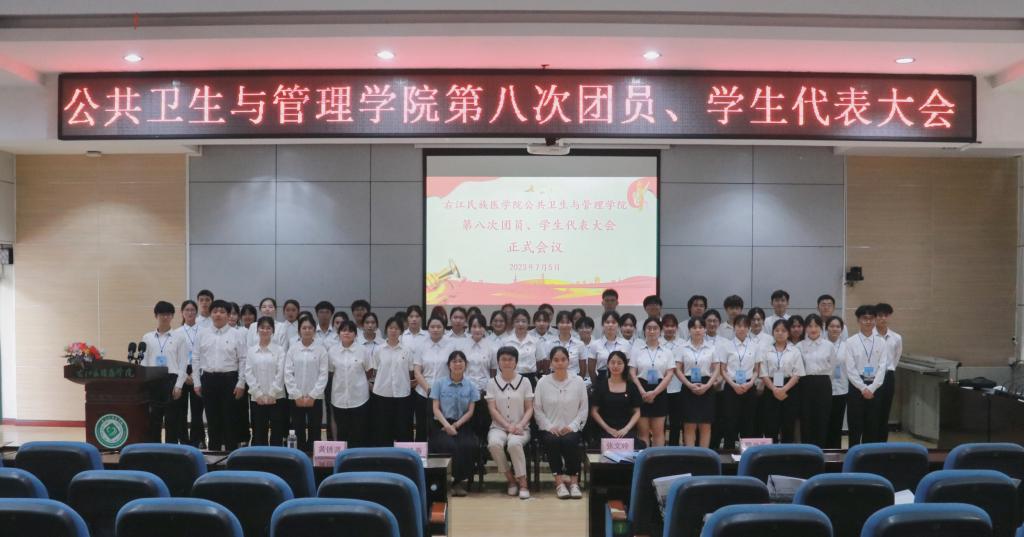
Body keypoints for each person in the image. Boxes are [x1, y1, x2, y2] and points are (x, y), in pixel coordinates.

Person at [534, 346, 588, 500]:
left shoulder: (578, 381)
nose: (560, 363)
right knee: (552, 441)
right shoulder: (543, 382)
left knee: (570, 441)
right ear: (551, 362)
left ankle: (574, 482)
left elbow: (583, 409)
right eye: (556, 360)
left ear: (568, 361)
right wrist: (549, 427)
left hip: (572, 427)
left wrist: (572, 426)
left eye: (563, 359)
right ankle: (559, 483)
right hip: (550, 428)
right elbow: (537, 409)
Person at [193, 299, 247, 451]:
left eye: (222, 312)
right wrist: (197, 382)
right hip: (208, 379)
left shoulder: (237, 334)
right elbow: (195, 358)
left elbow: (243, 359)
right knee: (212, 419)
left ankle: (231, 454)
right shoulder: (202, 334)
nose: (218, 314)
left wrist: (241, 383)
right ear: (210, 314)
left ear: (228, 315)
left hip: (230, 380)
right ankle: (213, 454)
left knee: (230, 419)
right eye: (215, 311)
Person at [429, 351, 480, 497]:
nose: (457, 364)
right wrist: (447, 426)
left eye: (460, 361)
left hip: (462, 424)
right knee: (447, 445)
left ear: (466, 364)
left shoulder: (471, 386)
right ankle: (447, 482)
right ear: (449, 365)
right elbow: (435, 408)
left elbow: (470, 411)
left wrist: (456, 425)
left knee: (468, 445)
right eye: (454, 361)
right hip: (442, 424)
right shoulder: (439, 384)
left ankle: (458, 482)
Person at [487, 346, 535, 500]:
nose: (507, 362)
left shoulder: (525, 381)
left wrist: (520, 425)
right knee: (494, 444)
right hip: (498, 427)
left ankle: (523, 484)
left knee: (514, 444)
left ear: (516, 362)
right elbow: (492, 409)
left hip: (521, 427)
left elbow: (529, 408)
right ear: (498, 362)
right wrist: (507, 426)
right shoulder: (492, 382)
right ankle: (511, 480)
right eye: (503, 359)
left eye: (510, 359)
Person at [141, 300, 186, 443]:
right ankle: (154, 448)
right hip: (153, 380)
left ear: (172, 316)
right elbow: (144, 361)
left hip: (171, 380)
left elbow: (183, 363)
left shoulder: (179, 337)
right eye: (162, 314)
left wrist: (179, 385)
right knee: (154, 418)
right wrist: (144, 382)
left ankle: (171, 449)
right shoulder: (147, 337)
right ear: (156, 316)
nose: (165, 317)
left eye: (168, 314)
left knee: (172, 419)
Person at [844, 305, 889, 446]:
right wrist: (863, 388)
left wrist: (872, 388)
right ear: (858, 320)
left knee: (873, 424)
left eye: (871, 318)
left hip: (876, 386)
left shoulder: (881, 342)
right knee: (855, 425)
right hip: (856, 386)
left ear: (875, 320)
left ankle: (869, 455)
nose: (868, 321)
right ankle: (853, 454)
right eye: (864, 318)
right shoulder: (850, 342)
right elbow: (850, 369)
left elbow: (883, 367)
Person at [716, 314, 761, 450]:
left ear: (749, 328)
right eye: (739, 326)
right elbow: (723, 369)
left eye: (745, 326)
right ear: (734, 327)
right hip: (731, 386)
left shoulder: (754, 346)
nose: (742, 329)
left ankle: (747, 454)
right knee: (730, 421)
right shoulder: (726, 346)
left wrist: (750, 383)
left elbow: (756, 370)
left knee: (748, 421)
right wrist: (734, 385)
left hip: (749, 386)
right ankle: (729, 452)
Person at [284, 316, 328, 451]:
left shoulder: (321, 350)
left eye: (310, 328)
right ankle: (299, 456)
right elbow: (288, 373)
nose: (307, 330)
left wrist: (313, 395)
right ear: (299, 331)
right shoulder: (293, 349)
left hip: (315, 398)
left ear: (314, 330)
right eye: (304, 328)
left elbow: (323, 375)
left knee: (315, 429)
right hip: (296, 397)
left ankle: (314, 457)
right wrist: (296, 395)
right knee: (297, 429)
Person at [371, 316, 415, 444]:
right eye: (391, 328)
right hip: (382, 394)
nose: (393, 331)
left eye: (396, 328)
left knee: (402, 428)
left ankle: (403, 455)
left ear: (401, 331)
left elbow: (410, 371)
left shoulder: (407, 351)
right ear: (386, 330)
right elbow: (375, 370)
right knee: (383, 429)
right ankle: (384, 453)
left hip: (402, 394)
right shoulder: (379, 349)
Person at [630, 318, 674, 447]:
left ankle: (658, 459)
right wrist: (642, 391)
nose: (652, 331)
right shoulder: (637, 350)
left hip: (659, 391)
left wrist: (654, 393)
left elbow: (669, 374)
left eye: (655, 328)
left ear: (660, 331)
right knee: (642, 432)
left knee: (658, 433)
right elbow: (632, 372)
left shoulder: (667, 352)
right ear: (644, 331)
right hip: (641, 391)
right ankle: (644, 459)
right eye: (649, 328)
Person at [759, 319, 804, 443]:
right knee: (770, 424)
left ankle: (787, 452)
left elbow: (797, 374)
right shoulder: (766, 350)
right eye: (777, 330)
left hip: (790, 389)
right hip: (770, 388)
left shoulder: (795, 350)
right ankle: (770, 452)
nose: (780, 333)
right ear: (772, 332)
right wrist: (774, 389)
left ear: (788, 333)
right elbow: (763, 373)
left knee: (788, 424)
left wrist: (784, 389)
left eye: (783, 330)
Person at [328, 320, 372, 448]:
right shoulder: (332, 351)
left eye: (350, 331)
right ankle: (343, 458)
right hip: (339, 398)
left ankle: (358, 458)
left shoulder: (363, 350)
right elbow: (330, 372)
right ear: (339, 333)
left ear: (355, 334)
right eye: (343, 330)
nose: (347, 333)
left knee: (359, 432)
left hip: (359, 398)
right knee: (342, 431)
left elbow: (369, 371)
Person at [244, 316, 287, 446]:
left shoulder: (280, 350)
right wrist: (258, 394)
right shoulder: (251, 351)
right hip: (257, 398)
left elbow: (281, 373)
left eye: (268, 328)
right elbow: (248, 373)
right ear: (257, 330)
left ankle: (277, 457)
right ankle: (260, 457)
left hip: (277, 398)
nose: (265, 330)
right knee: (259, 432)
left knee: (277, 432)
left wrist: (272, 393)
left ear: (273, 331)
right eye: (262, 327)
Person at [676, 317, 719, 448]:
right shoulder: (682, 347)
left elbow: (717, 368)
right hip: (688, 385)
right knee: (689, 424)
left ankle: (704, 455)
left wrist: (708, 385)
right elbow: (677, 369)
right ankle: (690, 455)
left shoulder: (712, 348)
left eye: (700, 327)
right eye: (694, 327)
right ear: (689, 330)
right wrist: (688, 384)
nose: (697, 330)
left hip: (706, 385)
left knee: (705, 424)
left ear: (705, 329)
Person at [796, 314, 837, 449]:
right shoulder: (799, 346)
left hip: (823, 383)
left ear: (821, 327)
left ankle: (821, 451)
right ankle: (807, 451)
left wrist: (824, 381)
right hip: (805, 384)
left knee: (822, 418)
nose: (813, 329)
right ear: (805, 328)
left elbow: (832, 367)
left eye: (816, 326)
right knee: (806, 418)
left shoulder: (828, 345)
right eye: (810, 326)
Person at [590, 351, 642, 446]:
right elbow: (594, 411)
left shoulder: (631, 386)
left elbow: (637, 412)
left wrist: (626, 429)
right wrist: (608, 429)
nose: (615, 366)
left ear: (625, 365)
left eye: (619, 363)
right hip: (604, 430)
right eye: (612, 362)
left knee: (638, 445)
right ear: (608, 365)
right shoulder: (600, 386)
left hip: (626, 431)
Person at [413, 316, 452, 442]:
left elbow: (454, 370)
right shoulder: (421, 345)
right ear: (428, 329)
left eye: (439, 327)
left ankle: (439, 452)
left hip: (445, 393)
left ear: (444, 329)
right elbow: (417, 372)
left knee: (440, 426)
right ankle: (422, 453)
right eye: (432, 327)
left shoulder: (451, 345)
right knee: (422, 426)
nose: (435, 329)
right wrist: (429, 390)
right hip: (423, 393)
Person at [175, 300, 206, 448]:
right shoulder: (176, 332)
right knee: (180, 409)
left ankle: (197, 440)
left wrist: (195, 373)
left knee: (197, 409)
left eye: (193, 310)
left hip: (198, 370)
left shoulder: (204, 331)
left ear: (196, 312)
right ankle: (182, 440)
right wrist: (184, 374)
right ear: (182, 312)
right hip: (181, 370)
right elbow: (174, 356)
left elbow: (206, 353)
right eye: (187, 310)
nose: (190, 312)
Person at [464, 314, 496, 439]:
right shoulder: (462, 345)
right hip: (466, 390)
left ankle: (483, 446)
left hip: (484, 390)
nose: (477, 329)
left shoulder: (491, 346)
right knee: (468, 422)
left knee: (483, 421)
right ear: (469, 328)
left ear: (485, 328)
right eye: (474, 326)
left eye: (480, 326)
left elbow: (493, 370)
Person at [874, 303, 902, 442]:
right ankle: (870, 443)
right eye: (880, 315)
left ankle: (882, 444)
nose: (883, 318)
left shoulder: (896, 338)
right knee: (872, 411)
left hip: (888, 376)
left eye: (885, 315)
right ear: (875, 317)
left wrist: (888, 370)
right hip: (872, 377)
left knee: (885, 412)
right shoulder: (869, 336)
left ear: (889, 317)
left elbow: (896, 358)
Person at [501, 308, 545, 386]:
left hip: (530, 378)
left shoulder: (535, 341)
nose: (520, 324)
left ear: (528, 323)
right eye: (517, 321)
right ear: (513, 323)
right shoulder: (505, 341)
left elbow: (540, 361)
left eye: (524, 321)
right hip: (511, 378)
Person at [661, 314, 686, 446]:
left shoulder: (683, 344)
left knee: (676, 422)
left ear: (676, 327)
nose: (670, 328)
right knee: (660, 422)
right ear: (662, 327)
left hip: (678, 387)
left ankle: (674, 448)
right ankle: (659, 448)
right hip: (660, 388)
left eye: (672, 326)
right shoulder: (657, 342)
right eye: (667, 326)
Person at [825, 316, 848, 449]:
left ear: (842, 329)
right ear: (826, 328)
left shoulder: (847, 346)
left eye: (838, 326)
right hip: (824, 389)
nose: (835, 329)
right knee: (824, 422)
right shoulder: (822, 344)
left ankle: (835, 452)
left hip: (841, 389)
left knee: (837, 423)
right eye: (832, 326)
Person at [590, 311, 631, 380]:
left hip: (620, 379)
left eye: (614, 322)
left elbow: (628, 367)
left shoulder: (625, 344)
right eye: (607, 322)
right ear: (602, 325)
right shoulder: (595, 344)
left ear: (618, 325)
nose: (610, 325)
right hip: (602, 378)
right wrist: (596, 383)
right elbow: (591, 370)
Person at [549, 311, 585, 378]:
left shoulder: (580, 344)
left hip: (574, 378)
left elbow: (583, 368)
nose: (565, 325)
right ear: (557, 324)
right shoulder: (549, 343)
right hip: (555, 378)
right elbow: (547, 366)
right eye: (562, 322)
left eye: (568, 322)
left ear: (572, 324)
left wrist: (578, 380)